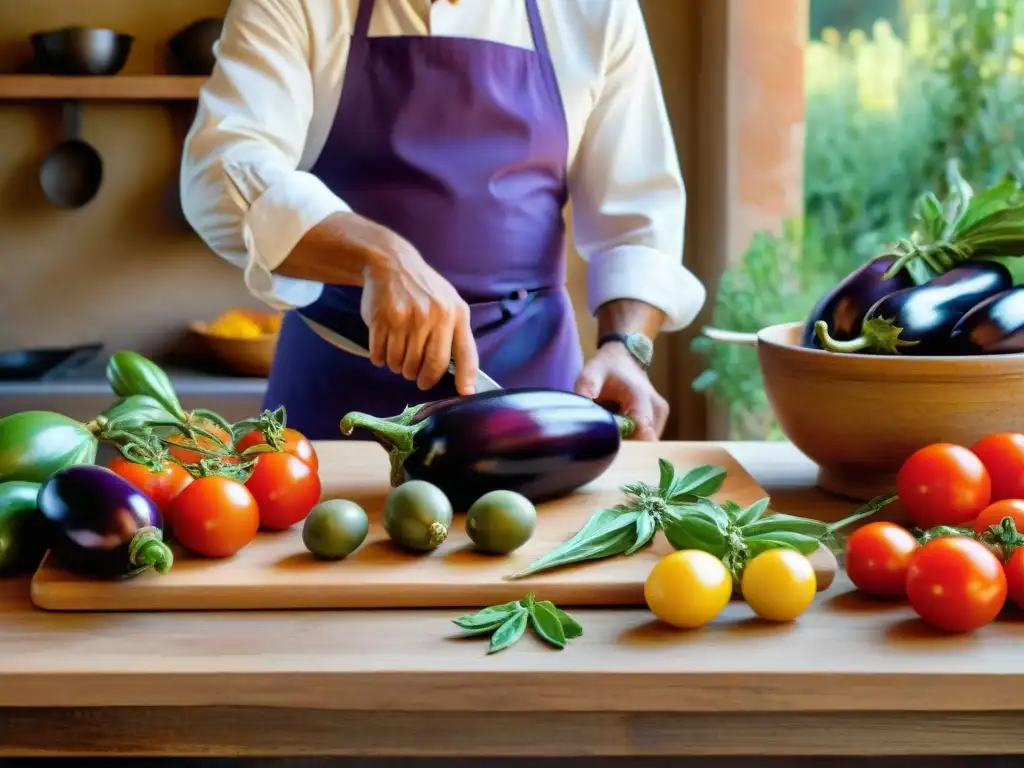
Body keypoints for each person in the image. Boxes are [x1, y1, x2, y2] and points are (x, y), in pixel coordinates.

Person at [180, 0, 706, 442]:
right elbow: (221, 166)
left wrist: (625, 347)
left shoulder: (595, 9)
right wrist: (381, 256)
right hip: (336, 391)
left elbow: (639, 216)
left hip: (527, 391)